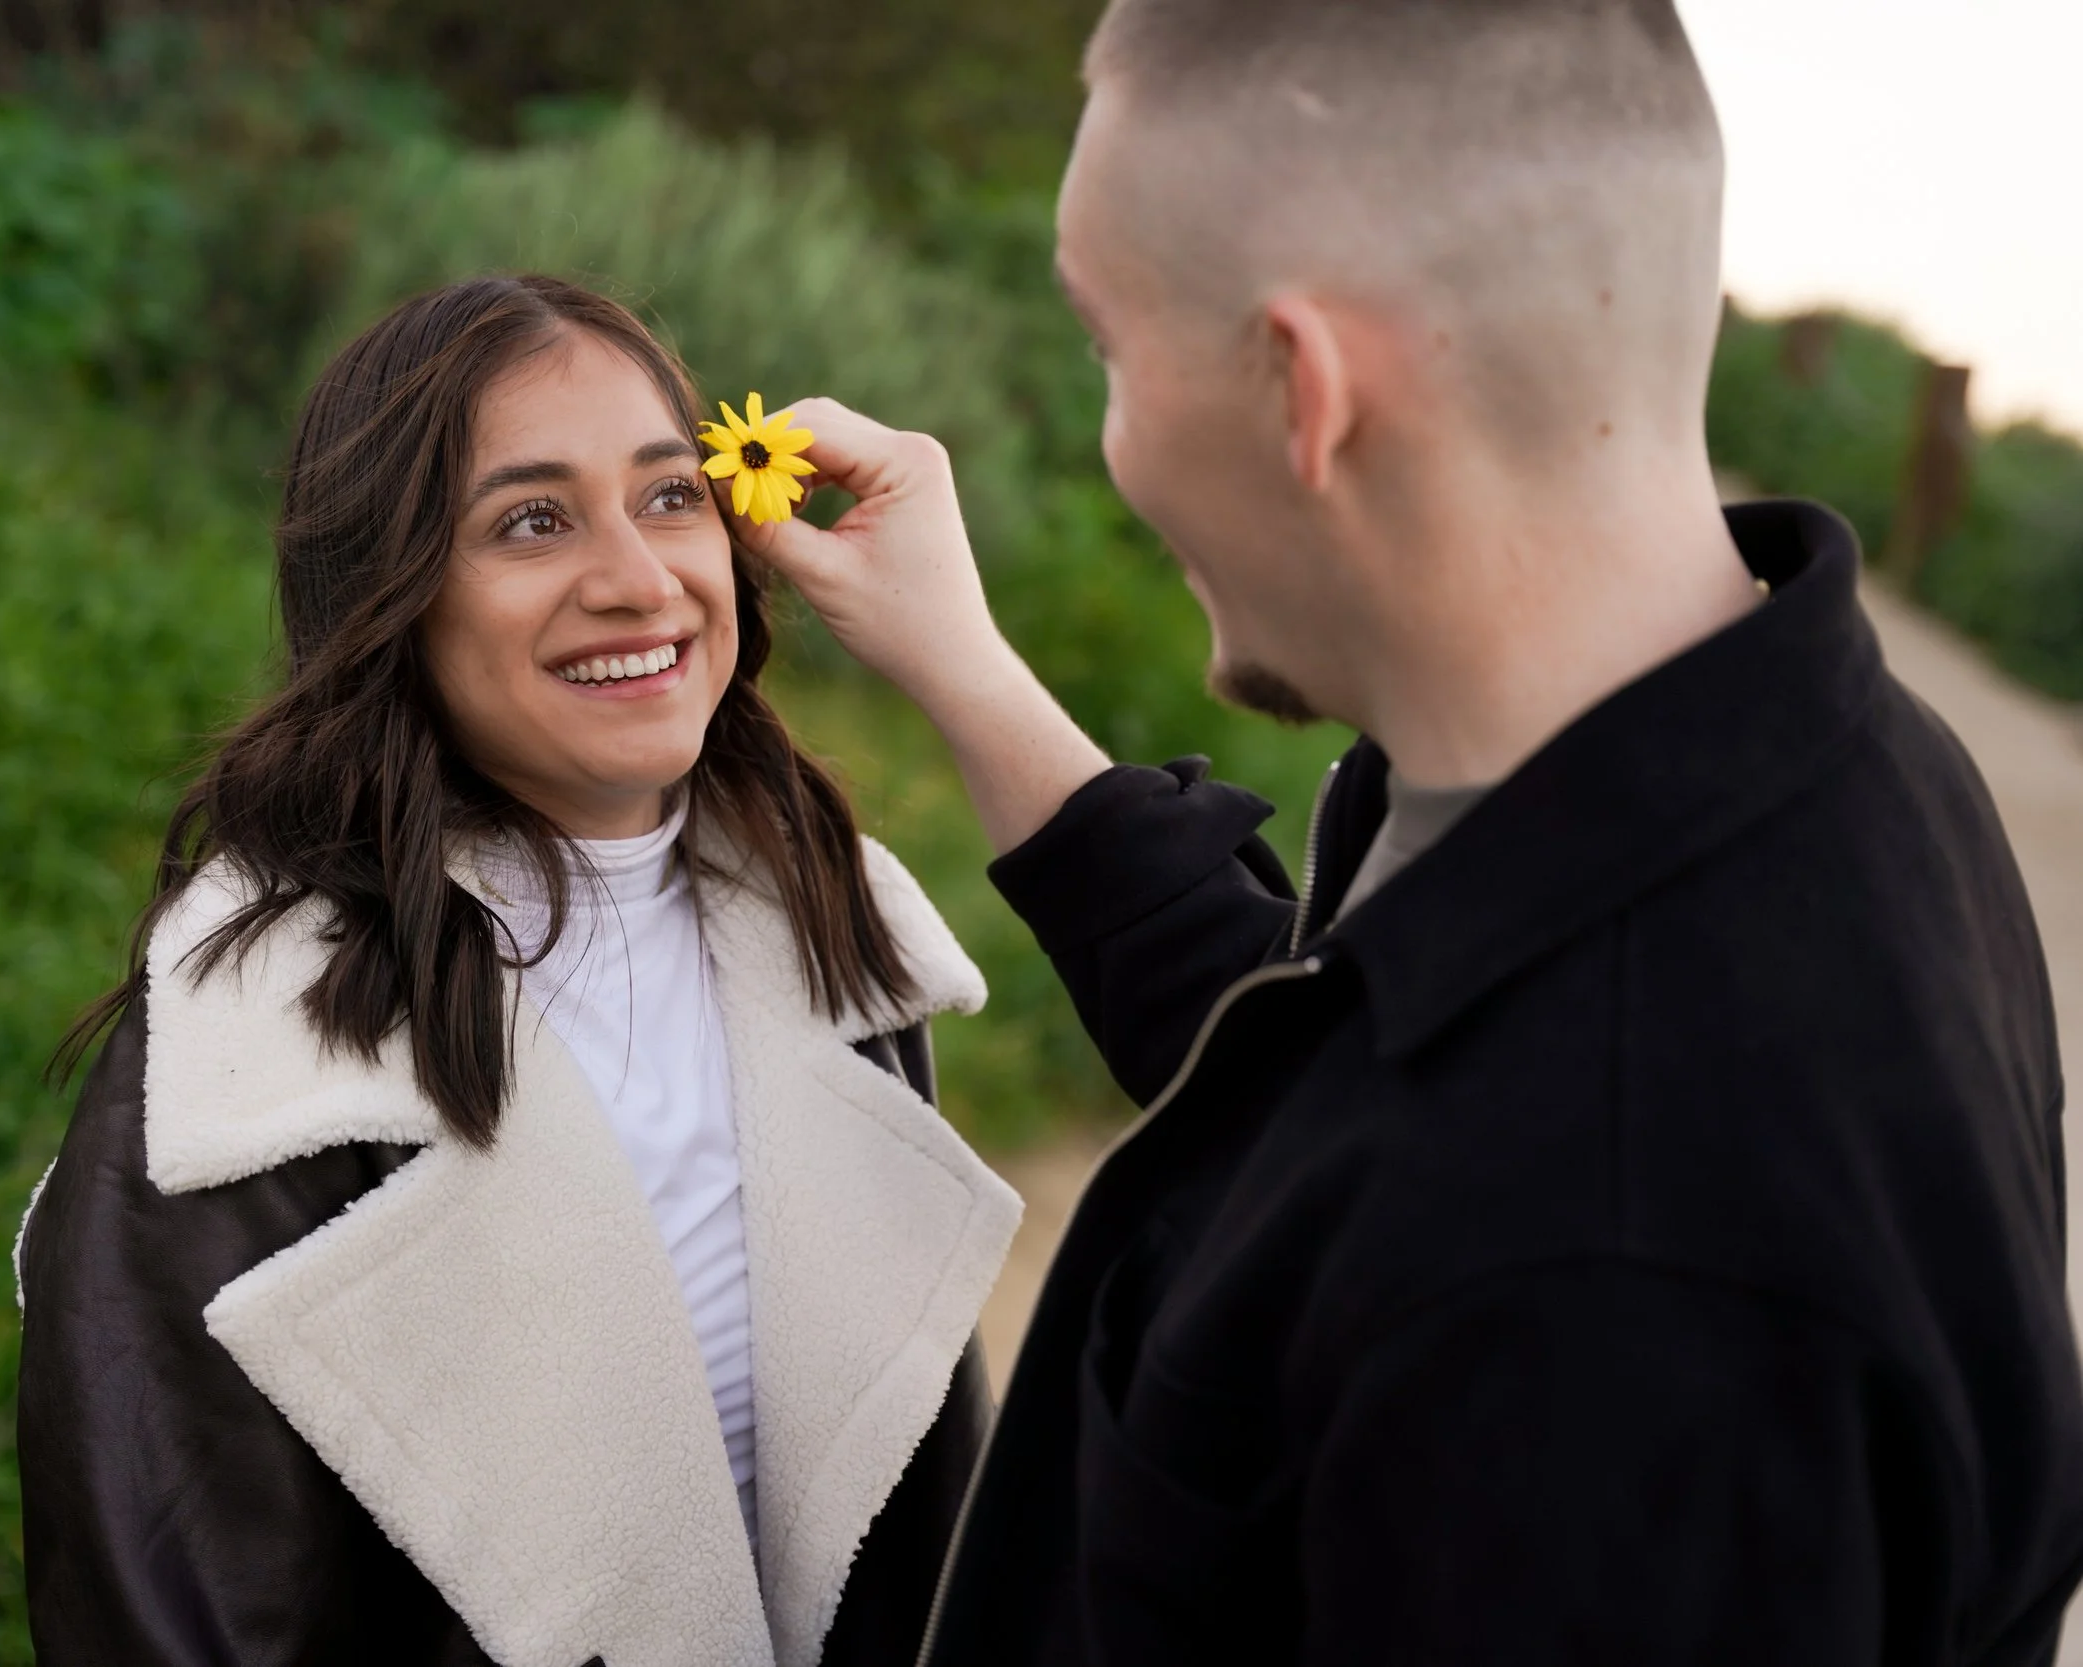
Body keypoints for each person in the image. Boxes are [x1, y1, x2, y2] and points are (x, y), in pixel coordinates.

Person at [740, 2, 2083, 1662]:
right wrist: (967, 666)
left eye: (1108, 345)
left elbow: (1459, 1170)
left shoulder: (1595, 1289)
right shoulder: (1796, 756)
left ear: (1303, 386)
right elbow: (1341, 1087)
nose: (1115, 427)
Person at [11, 275, 1020, 1667]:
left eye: (673, 497)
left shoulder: (826, 929)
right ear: (391, 591)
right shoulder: (245, 1064)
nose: (637, 577)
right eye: (531, 521)